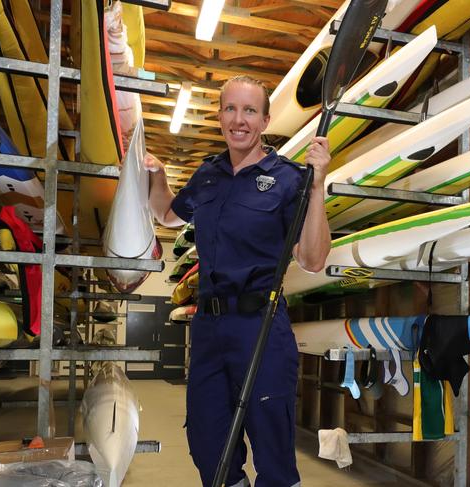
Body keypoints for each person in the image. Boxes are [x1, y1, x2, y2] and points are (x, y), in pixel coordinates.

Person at [145, 75, 331, 487]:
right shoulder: (208, 174)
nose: (239, 119)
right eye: (230, 108)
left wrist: (317, 187)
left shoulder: (287, 179)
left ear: (265, 120)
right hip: (209, 327)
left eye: (250, 110)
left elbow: (314, 259)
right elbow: (168, 215)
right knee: (206, 437)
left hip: (260, 326)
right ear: (219, 116)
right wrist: (157, 175)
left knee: (271, 440)